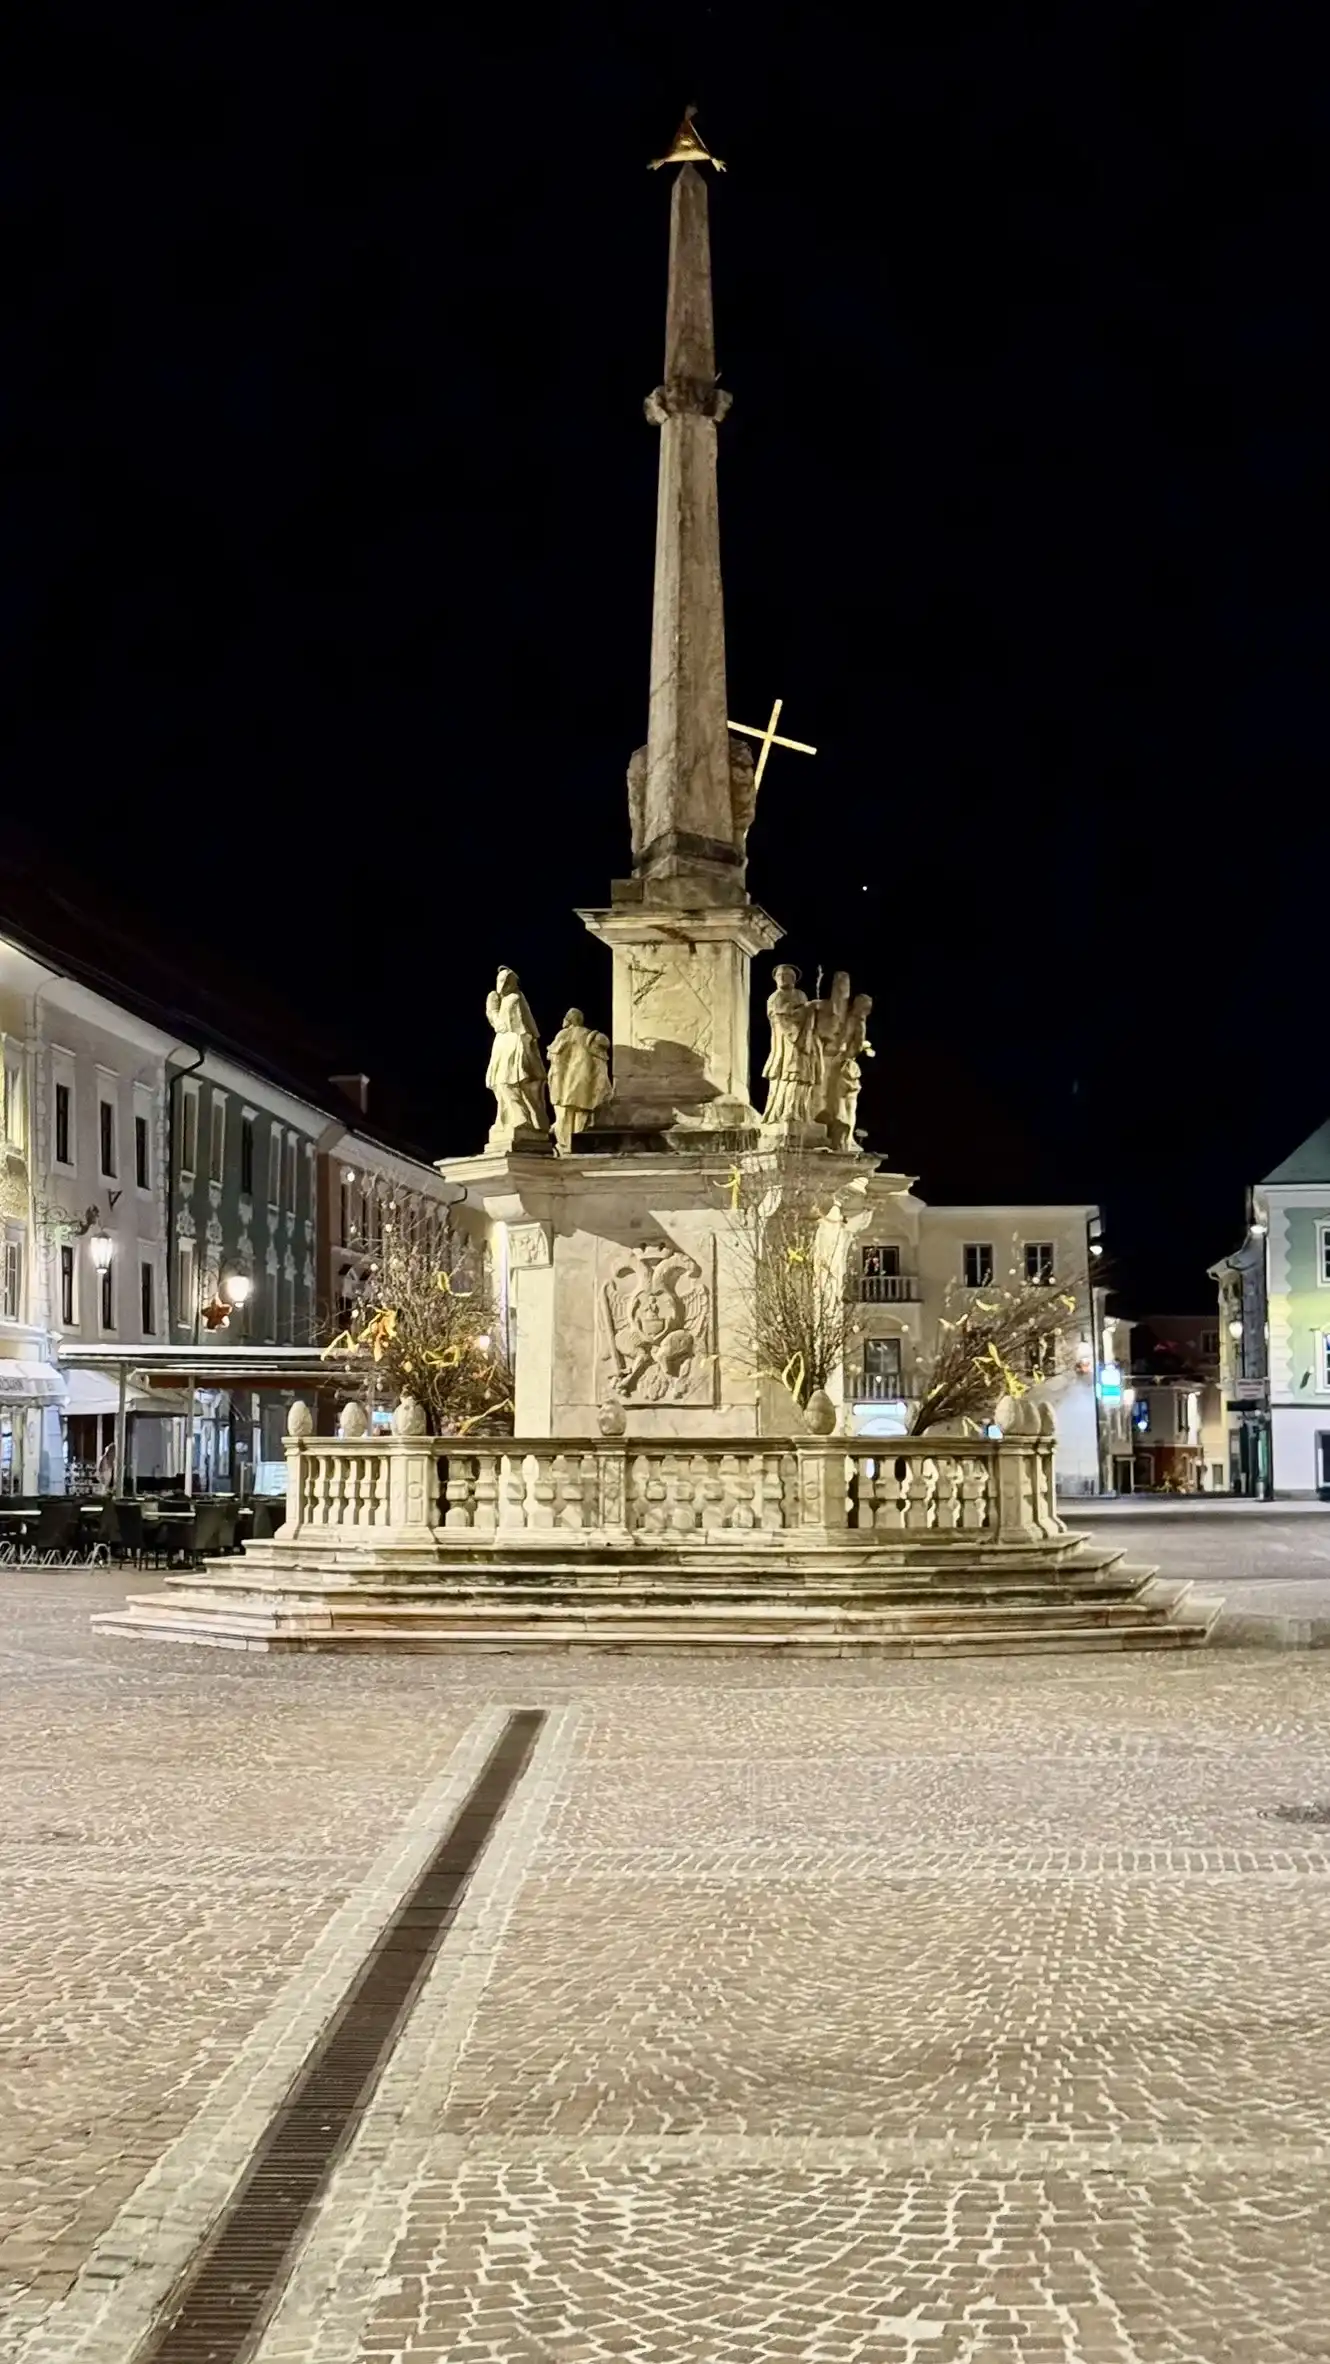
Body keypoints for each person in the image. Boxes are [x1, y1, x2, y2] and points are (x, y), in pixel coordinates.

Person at [484, 967, 548, 1138]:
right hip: (505, 1041)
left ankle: (520, 1118)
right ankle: (509, 1119)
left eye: (510, 981)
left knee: (507, 1081)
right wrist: (492, 1010)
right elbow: (498, 1022)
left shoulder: (515, 998)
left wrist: (526, 1045)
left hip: (515, 1040)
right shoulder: (504, 999)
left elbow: (522, 1025)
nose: (510, 984)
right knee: (501, 1083)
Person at [546, 1009, 612, 1154]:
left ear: (568, 1020)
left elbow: (551, 1055)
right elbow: (605, 1043)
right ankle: (578, 1147)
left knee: (564, 1115)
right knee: (582, 1113)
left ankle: (565, 1147)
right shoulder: (590, 1035)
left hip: (564, 1083)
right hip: (584, 1081)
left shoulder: (564, 1034)